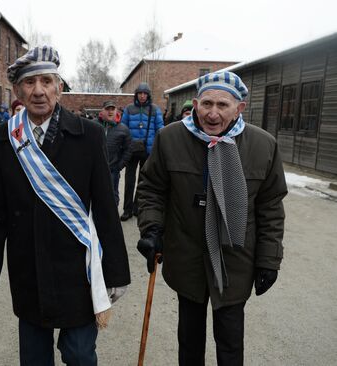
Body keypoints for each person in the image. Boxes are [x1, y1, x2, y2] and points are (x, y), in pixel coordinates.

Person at [0, 45, 131, 366]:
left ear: (59, 87)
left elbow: (104, 204)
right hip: (27, 264)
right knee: (34, 358)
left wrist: (116, 270)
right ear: (17, 90)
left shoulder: (88, 135)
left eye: (46, 81)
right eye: (29, 83)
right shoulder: (5, 138)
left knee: (79, 355)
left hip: (77, 266)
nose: (38, 91)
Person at [135, 71, 287, 365]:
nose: (212, 113)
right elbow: (151, 188)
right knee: (189, 340)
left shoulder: (263, 146)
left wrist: (269, 259)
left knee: (230, 342)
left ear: (239, 108)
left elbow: (270, 208)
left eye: (222, 105)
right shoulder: (170, 138)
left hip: (234, 259)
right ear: (195, 104)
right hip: (186, 256)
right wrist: (152, 228)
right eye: (206, 104)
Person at [120, 82, 164, 221]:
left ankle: (136, 207)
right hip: (131, 150)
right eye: (140, 93)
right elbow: (123, 128)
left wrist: (158, 149)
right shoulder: (128, 108)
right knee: (129, 181)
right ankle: (127, 209)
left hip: (148, 150)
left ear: (148, 95)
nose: (142, 96)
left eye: (145, 93)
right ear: (136, 95)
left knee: (142, 181)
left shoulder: (155, 109)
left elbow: (160, 130)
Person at [95, 100, 132, 207]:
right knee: (95, 194)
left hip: (113, 170)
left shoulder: (123, 129)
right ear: (102, 111)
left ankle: (112, 220)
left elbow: (128, 149)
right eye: (107, 109)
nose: (110, 111)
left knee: (112, 195)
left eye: (112, 109)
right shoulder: (93, 125)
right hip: (95, 169)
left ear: (116, 111)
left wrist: (119, 166)